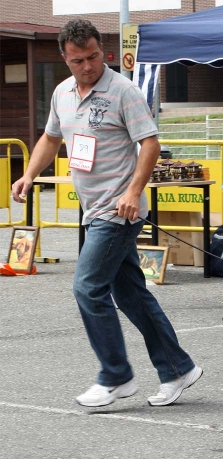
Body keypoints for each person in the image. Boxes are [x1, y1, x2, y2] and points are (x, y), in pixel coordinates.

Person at [11, 19, 202, 407]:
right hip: (92, 208)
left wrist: (133, 191)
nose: (88, 66)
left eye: (94, 56)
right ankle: (178, 368)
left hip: (118, 210)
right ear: (65, 58)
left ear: (104, 52)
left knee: (87, 287)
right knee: (131, 294)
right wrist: (29, 174)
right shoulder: (63, 92)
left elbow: (149, 144)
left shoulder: (122, 91)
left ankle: (115, 376)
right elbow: (51, 137)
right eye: (78, 59)